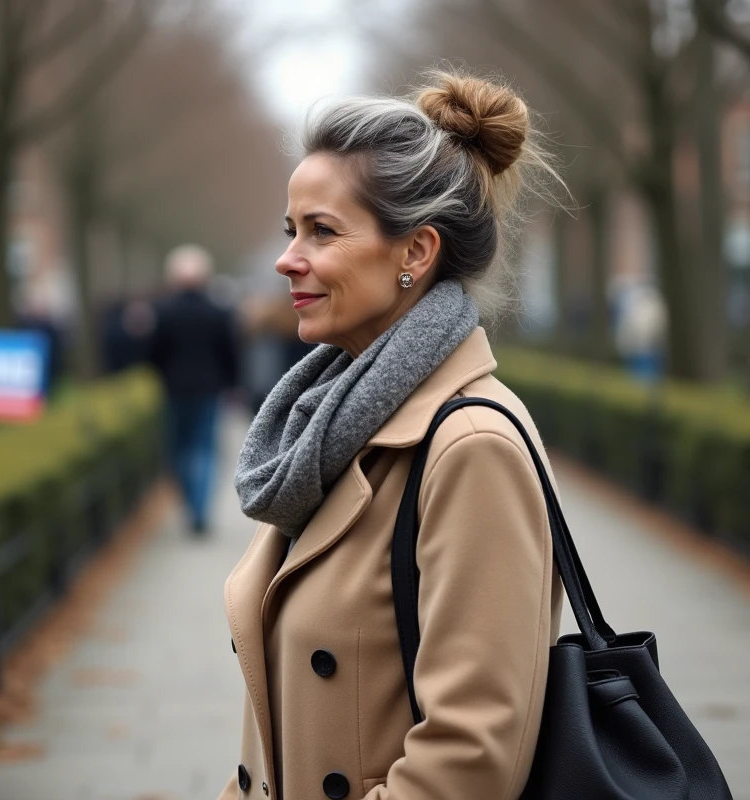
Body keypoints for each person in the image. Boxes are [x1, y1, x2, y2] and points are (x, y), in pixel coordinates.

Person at [220, 71, 565, 799]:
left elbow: (469, 759)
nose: (287, 259)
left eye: (322, 231)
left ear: (415, 253)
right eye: (292, 231)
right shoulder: (330, 423)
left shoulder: (471, 446)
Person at [147, 245, 239, 534]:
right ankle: (200, 507)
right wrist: (232, 382)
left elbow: (153, 353)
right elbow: (231, 352)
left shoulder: (163, 311)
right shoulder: (218, 311)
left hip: (174, 389)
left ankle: (191, 503)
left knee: (179, 450)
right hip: (209, 389)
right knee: (205, 449)